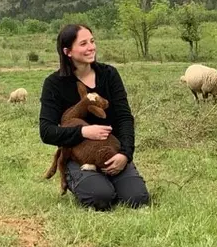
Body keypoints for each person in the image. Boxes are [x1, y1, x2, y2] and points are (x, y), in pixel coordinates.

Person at [39, 24, 150, 211]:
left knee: (137, 199)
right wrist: (83, 131)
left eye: (92, 41)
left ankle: (114, 177)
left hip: (111, 151)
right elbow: (46, 131)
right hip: (79, 157)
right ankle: (75, 177)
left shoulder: (109, 75)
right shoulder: (54, 84)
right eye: (83, 43)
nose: (91, 47)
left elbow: (124, 118)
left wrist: (125, 154)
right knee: (101, 198)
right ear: (67, 51)